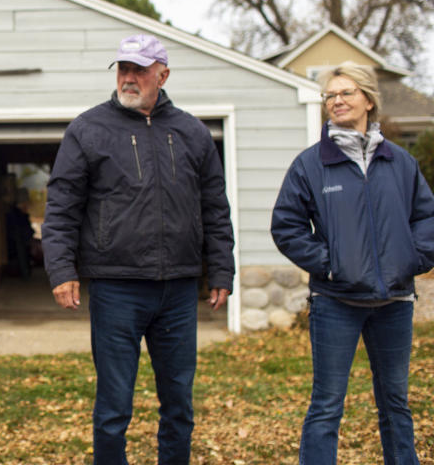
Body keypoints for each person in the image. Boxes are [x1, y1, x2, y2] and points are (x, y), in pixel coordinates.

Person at [42, 34, 235, 464]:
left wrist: (221, 271)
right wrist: (62, 270)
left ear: (162, 75)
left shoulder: (192, 132)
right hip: (117, 288)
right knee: (113, 408)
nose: (128, 78)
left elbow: (215, 208)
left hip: (179, 290)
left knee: (179, 405)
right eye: (122, 69)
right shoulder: (88, 129)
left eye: (139, 70)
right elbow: (62, 207)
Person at [271, 62, 434, 464]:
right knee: (327, 405)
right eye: (330, 95)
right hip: (335, 302)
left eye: (346, 93)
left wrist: (410, 259)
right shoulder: (311, 164)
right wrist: (332, 265)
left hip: (393, 302)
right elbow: (287, 226)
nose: (336, 101)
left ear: (368, 99)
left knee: (396, 402)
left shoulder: (400, 163)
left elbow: (426, 217)